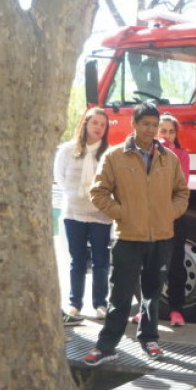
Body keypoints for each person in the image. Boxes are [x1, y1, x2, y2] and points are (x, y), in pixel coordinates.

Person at [84, 102, 190, 365]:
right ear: (134, 124)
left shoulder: (170, 157)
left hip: (161, 236)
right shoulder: (115, 156)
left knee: (152, 294)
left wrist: (170, 212)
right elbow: (98, 192)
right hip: (128, 237)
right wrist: (122, 213)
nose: (150, 130)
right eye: (145, 124)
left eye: (154, 125)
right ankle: (106, 346)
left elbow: (182, 192)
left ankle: (150, 339)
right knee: (120, 296)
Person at [53, 107, 112, 324]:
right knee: (77, 260)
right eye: (95, 122)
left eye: (103, 125)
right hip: (73, 212)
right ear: (85, 124)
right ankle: (75, 303)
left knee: (100, 260)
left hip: (100, 214)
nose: (99, 127)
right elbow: (59, 177)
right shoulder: (67, 150)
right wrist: (76, 196)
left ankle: (100, 303)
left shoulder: (109, 152)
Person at [157, 114, 191, 327]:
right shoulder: (148, 153)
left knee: (176, 264)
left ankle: (176, 310)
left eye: (171, 131)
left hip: (174, 216)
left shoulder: (182, 156)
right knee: (150, 264)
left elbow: (181, 184)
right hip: (151, 216)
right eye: (163, 131)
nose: (167, 136)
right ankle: (146, 310)